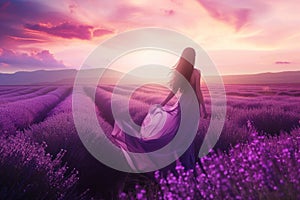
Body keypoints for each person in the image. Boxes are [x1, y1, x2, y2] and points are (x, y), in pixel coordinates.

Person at [111, 47, 207, 172]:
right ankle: (187, 164)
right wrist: (204, 108)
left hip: (183, 104)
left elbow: (174, 91)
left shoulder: (181, 72)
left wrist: (163, 103)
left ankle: (176, 162)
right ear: (193, 58)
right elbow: (198, 92)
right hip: (192, 106)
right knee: (188, 134)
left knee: (177, 133)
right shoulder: (196, 72)